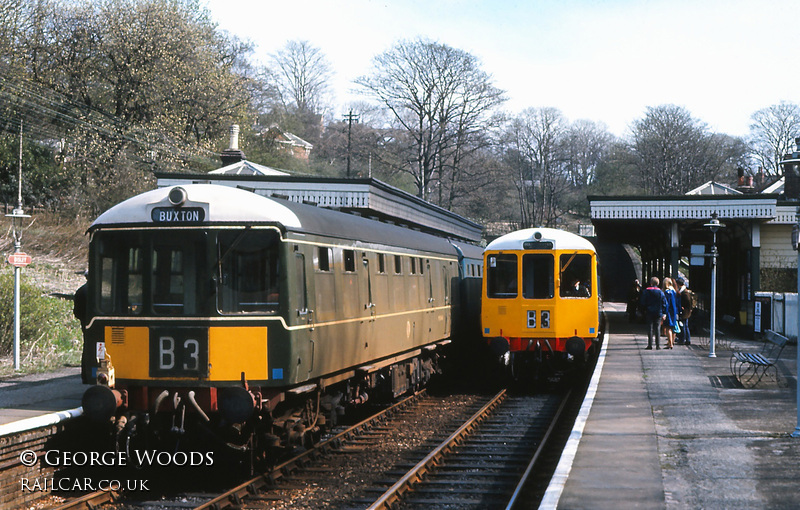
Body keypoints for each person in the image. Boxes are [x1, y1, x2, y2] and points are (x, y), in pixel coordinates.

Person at [639, 276, 666, 350]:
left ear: (651, 283)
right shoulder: (660, 292)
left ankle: (650, 345)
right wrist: (664, 312)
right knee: (657, 328)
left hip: (649, 312)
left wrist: (643, 310)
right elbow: (664, 303)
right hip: (658, 312)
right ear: (658, 283)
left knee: (649, 328)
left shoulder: (646, 291)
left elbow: (642, 302)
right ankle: (658, 345)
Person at [662, 277, 680, 349]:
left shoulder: (667, 292)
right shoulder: (674, 291)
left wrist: (664, 313)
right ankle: (672, 341)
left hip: (669, 311)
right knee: (673, 328)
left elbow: (666, 304)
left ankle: (670, 344)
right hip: (674, 311)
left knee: (668, 328)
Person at [676, 277, 693, 345]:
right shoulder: (684, 291)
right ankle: (686, 339)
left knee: (684, 326)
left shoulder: (684, 292)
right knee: (685, 325)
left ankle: (684, 339)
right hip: (687, 311)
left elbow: (688, 301)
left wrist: (685, 307)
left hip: (685, 311)